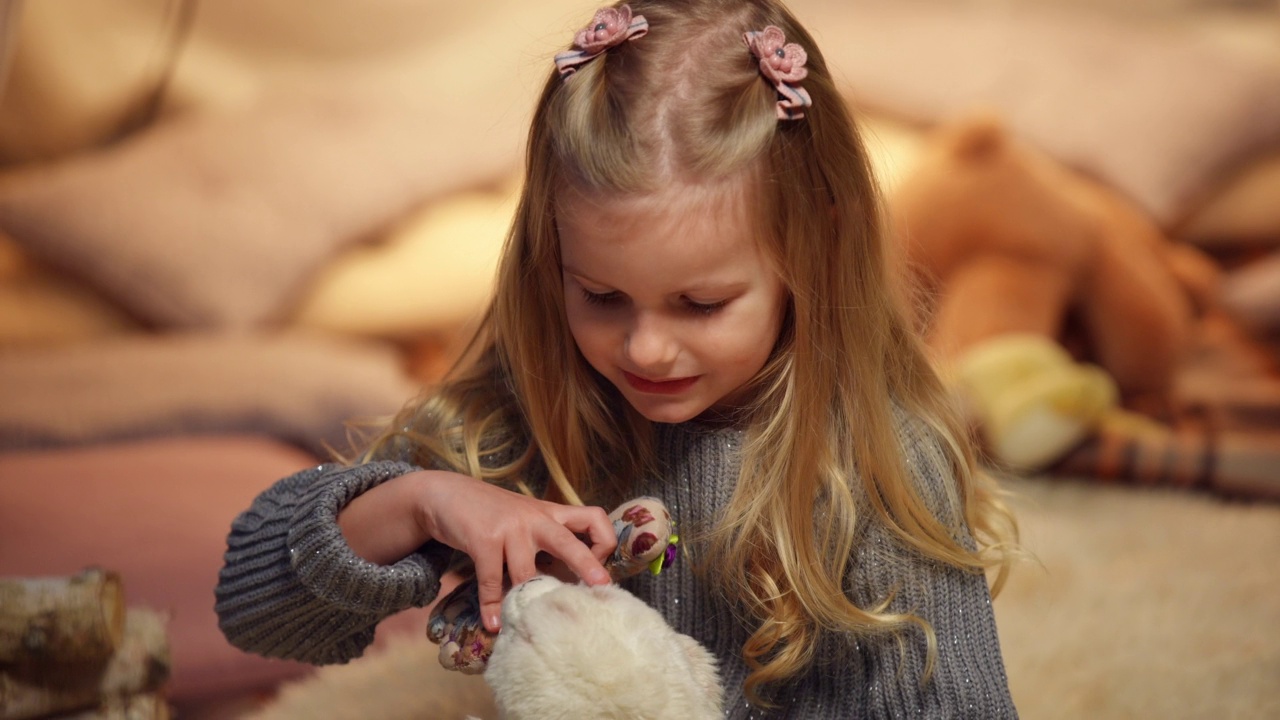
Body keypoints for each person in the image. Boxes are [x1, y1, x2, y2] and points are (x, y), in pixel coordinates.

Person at [215, 0, 1020, 716]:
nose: (644, 348)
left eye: (700, 304)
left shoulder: (876, 464)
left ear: (812, 250)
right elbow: (256, 609)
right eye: (600, 296)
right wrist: (425, 502)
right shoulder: (519, 411)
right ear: (549, 257)